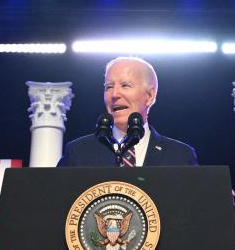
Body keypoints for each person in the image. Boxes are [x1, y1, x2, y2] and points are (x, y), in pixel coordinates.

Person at [58, 56, 198, 167]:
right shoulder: (78, 153)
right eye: (109, 87)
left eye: (125, 85)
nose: (114, 94)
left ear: (149, 96)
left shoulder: (179, 156)